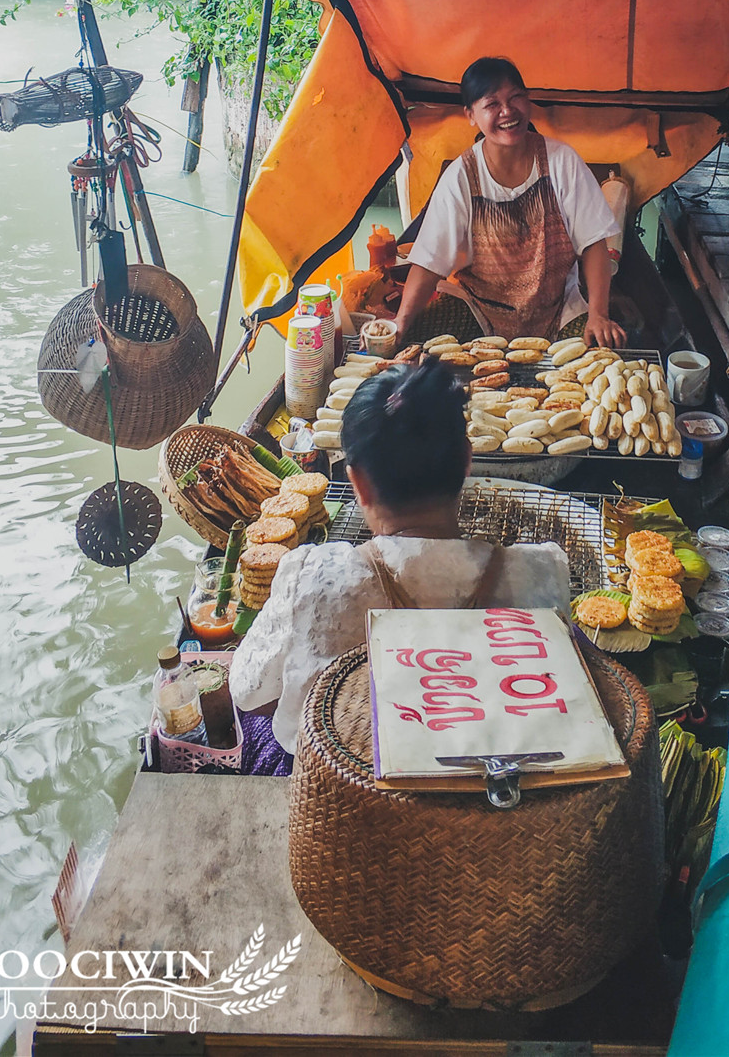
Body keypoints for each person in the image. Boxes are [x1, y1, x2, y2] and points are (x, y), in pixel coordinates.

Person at [230, 356, 569, 772]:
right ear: (466, 461)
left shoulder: (311, 577)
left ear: (358, 483)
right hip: (498, 802)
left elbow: (247, 693)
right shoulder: (542, 574)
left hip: (353, 793)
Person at [394, 57, 627, 348]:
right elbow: (429, 261)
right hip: (477, 309)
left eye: (516, 97)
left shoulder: (562, 161)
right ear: (470, 115)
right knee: (413, 341)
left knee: (601, 353)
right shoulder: (461, 177)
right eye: (492, 104)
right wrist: (400, 323)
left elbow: (594, 243)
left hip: (558, 309)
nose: (508, 111)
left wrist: (598, 314)